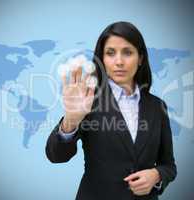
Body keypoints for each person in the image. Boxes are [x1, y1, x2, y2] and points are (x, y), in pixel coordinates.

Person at [45, 21, 177, 200]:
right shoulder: (88, 101)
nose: (119, 61)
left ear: (141, 59)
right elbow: (56, 156)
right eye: (110, 53)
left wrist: (157, 175)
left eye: (128, 52)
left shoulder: (157, 107)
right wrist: (70, 121)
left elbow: (168, 165)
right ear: (102, 60)